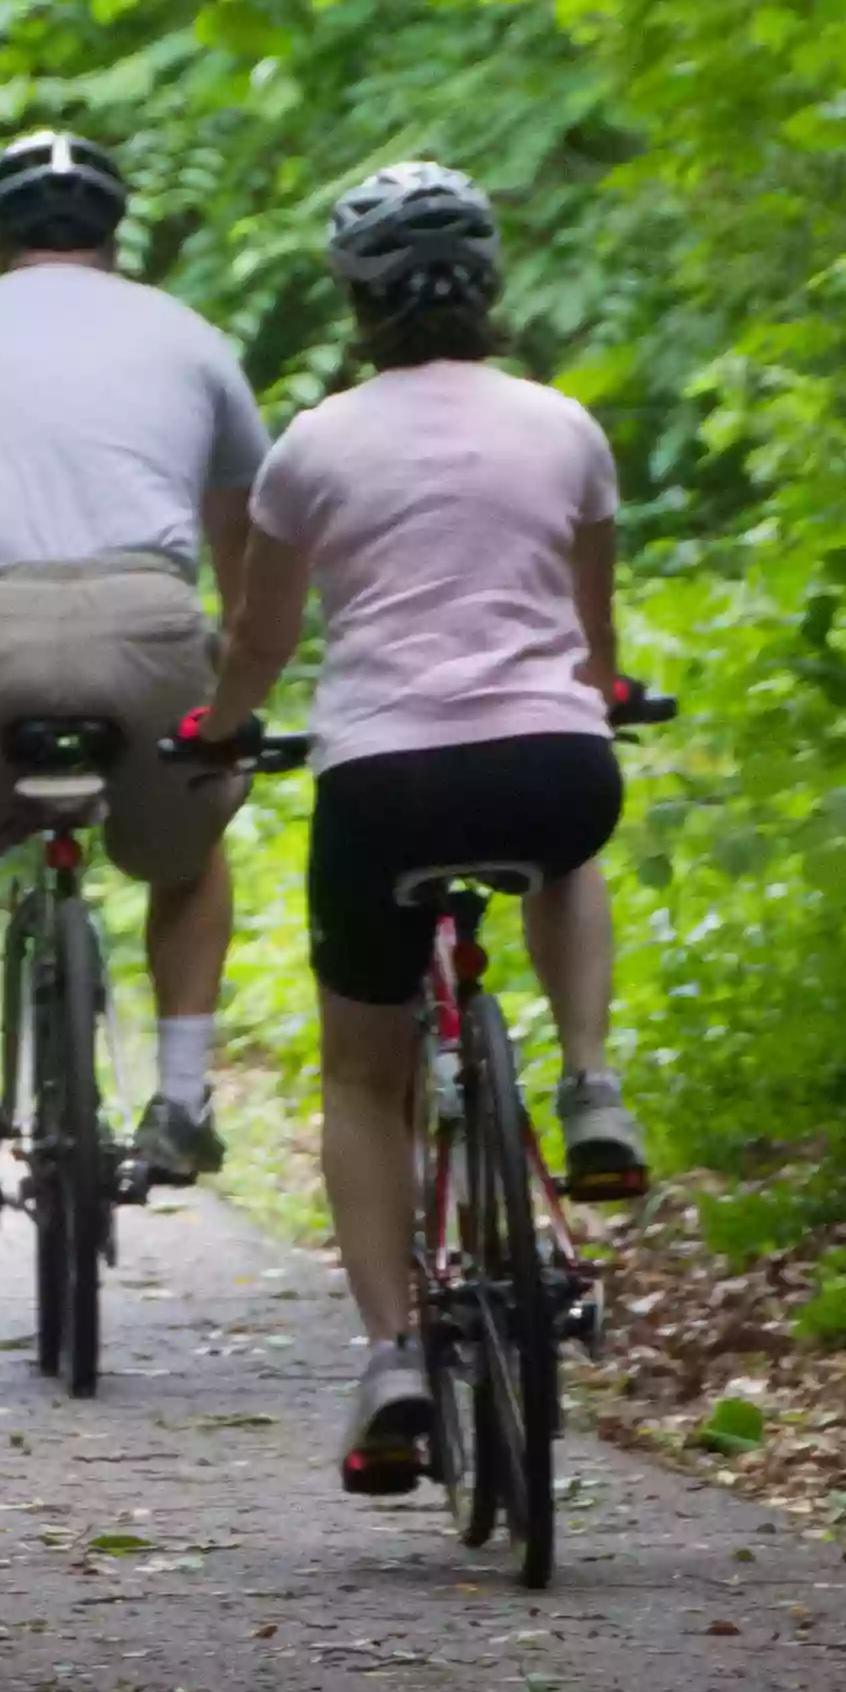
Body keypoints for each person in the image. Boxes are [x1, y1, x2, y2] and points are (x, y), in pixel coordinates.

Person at [182, 161, 649, 1497]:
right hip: (549, 762)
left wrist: (220, 729)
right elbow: (593, 637)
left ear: (357, 303)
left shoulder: (313, 444)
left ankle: (390, 1353)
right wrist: (598, 690)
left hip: (383, 787)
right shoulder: (564, 426)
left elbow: (264, 639)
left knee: (359, 1077)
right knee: (568, 844)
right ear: (491, 288)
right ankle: (590, 1082)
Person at [0, 128, 272, 1232]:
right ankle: (178, 1094)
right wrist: (243, 685)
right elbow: (241, 543)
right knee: (190, 857)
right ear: (117, 235)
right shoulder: (191, 337)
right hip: (149, 624)